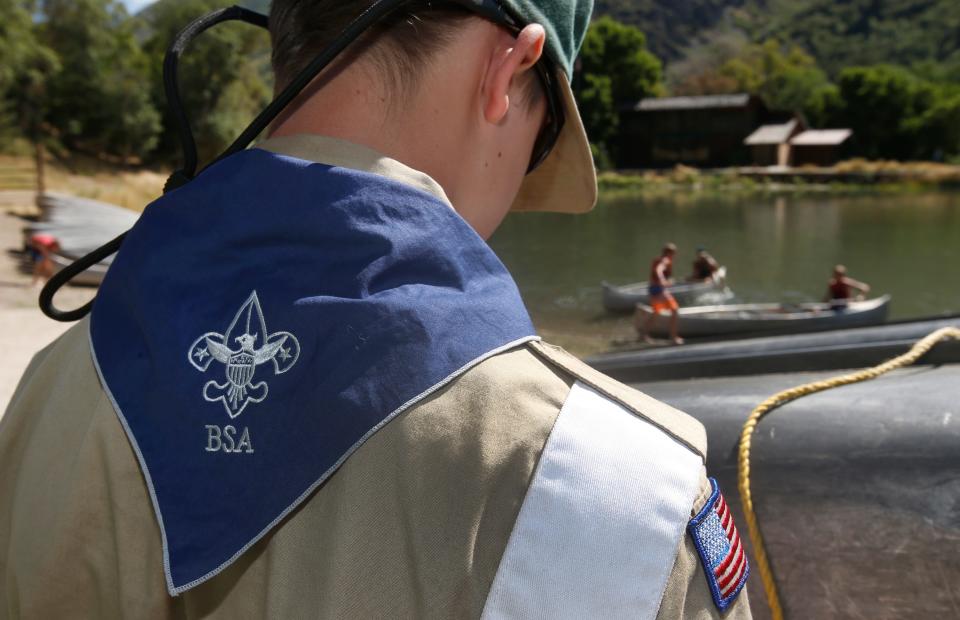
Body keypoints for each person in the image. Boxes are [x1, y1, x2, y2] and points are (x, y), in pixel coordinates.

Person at [0, 2, 750, 618]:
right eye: (546, 133)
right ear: (510, 66)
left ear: (286, 46)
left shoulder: (45, 390)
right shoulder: (631, 494)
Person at [639, 243, 684, 345]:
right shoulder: (665, 260)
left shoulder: (658, 259)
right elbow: (659, 269)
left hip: (653, 289)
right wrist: (662, 280)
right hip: (659, 289)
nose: (675, 256)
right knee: (675, 309)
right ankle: (673, 337)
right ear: (669, 253)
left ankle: (643, 335)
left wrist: (665, 281)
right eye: (674, 254)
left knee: (656, 312)